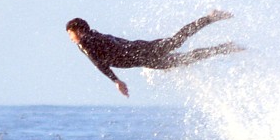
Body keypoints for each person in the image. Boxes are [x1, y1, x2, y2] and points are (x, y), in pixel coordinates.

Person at [66, 10, 244, 97]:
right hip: (143, 55)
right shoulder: (95, 35)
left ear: (79, 31)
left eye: (70, 34)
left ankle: (213, 24)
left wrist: (116, 80)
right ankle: (223, 47)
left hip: (143, 53)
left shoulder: (85, 42)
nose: (70, 39)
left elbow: (97, 63)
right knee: (183, 56)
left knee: (179, 47)